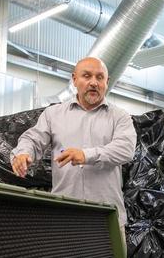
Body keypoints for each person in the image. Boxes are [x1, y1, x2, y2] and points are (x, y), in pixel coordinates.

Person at [11, 57, 136, 231]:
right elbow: (32, 139)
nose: (93, 82)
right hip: (64, 217)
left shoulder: (120, 117)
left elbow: (126, 149)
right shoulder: (53, 114)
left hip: (106, 218)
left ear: (107, 82)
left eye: (100, 77)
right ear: (74, 79)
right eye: (86, 76)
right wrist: (23, 153)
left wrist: (86, 155)